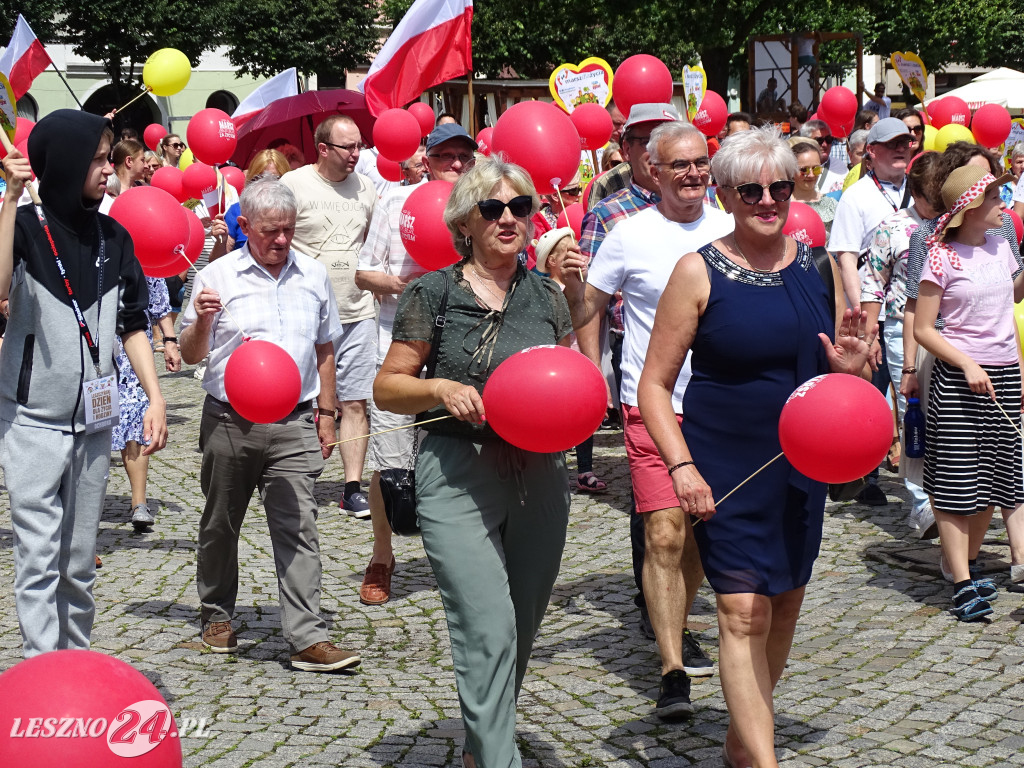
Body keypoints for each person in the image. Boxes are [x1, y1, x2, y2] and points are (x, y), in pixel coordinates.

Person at [635, 125, 873, 768]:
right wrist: (680, 465)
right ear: (725, 194)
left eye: (780, 186)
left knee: (786, 602)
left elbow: (830, 377)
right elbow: (653, 385)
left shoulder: (816, 266)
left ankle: (743, 743)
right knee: (742, 613)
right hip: (724, 464)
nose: (767, 200)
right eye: (751, 190)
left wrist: (852, 370)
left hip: (802, 465)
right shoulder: (697, 270)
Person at [373, 156, 575, 768]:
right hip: (457, 470)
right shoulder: (431, 293)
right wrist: (438, 390)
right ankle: (495, 759)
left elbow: (567, 378)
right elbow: (387, 388)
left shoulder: (547, 295)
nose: (509, 218)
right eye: (494, 207)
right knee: (486, 628)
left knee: (521, 623)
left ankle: (480, 744)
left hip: (540, 471)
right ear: (466, 220)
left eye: (520, 207)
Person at [564, 121, 731, 719]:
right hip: (651, 404)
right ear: (652, 171)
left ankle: (683, 623)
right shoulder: (628, 235)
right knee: (663, 531)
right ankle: (671, 670)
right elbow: (589, 307)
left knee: (695, 536)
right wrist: (570, 289)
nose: (691, 173)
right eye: (678, 164)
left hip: (721, 409)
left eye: (700, 162)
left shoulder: (731, 229)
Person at [0, 110, 168, 657]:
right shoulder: (25, 229)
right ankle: (40, 668)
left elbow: (134, 324)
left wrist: (155, 396)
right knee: (37, 556)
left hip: (94, 424)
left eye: (107, 159)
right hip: (31, 422)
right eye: (97, 160)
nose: (108, 170)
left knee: (77, 557)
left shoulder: (115, 237)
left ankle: (73, 663)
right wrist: (8, 201)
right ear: (68, 164)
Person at [178, 179, 359, 672]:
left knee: (299, 526)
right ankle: (217, 617)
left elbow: (326, 347)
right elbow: (191, 354)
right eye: (269, 232)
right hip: (229, 421)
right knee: (220, 523)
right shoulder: (216, 277)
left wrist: (327, 412)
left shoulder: (314, 274)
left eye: (288, 230)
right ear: (244, 228)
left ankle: (307, 637)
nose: (280, 240)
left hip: (296, 419)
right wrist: (200, 322)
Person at [352, 123, 478, 606]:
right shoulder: (394, 203)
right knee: (391, 460)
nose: (457, 165)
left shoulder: (480, 207)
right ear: (426, 161)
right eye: (446, 156)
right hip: (398, 345)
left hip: (461, 348)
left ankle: (456, 555)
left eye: (465, 156)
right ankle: (383, 555)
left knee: (455, 456)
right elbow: (363, 271)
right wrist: (412, 289)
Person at [901, 143, 1024, 591]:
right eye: (993, 196)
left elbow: (1010, 306)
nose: (1003, 204)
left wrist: (1019, 370)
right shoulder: (935, 250)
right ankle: (961, 579)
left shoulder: (1002, 242)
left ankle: (1010, 563)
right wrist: (925, 368)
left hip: (1003, 372)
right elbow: (921, 321)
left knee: (1008, 474)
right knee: (956, 481)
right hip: (956, 376)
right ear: (969, 207)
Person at [578, 103, 680, 641]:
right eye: (642, 140)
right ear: (627, 148)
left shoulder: (706, 207)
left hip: (707, 375)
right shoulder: (612, 213)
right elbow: (591, 300)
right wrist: (592, 369)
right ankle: (654, 603)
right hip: (637, 356)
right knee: (653, 501)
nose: (651, 149)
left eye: (661, 138)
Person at [281, 115, 377, 517]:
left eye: (360, 145)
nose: (357, 154)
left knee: (355, 401)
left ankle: (352, 485)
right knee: (301, 400)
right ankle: (294, 475)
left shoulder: (367, 189)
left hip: (357, 310)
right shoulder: (294, 186)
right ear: (323, 148)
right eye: (348, 147)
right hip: (305, 314)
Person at [860, 152, 943, 539]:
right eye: (932, 196)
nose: (938, 203)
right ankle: (923, 503)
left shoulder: (951, 225)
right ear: (916, 192)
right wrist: (869, 333)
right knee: (915, 409)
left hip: (950, 326)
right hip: (901, 327)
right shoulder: (892, 229)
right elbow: (872, 282)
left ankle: (951, 491)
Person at [225, 148, 292, 252]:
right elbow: (220, 259)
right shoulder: (237, 211)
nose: (267, 184)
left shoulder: (296, 211)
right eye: (260, 178)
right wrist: (220, 241)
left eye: (275, 179)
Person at [789, 138, 838, 233]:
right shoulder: (783, 206)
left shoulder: (832, 205)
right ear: (791, 170)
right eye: (804, 170)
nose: (811, 175)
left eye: (816, 169)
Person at [797, 119, 846, 195]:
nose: (825, 144)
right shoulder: (795, 168)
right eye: (819, 140)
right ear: (806, 141)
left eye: (828, 139)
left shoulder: (841, 167)